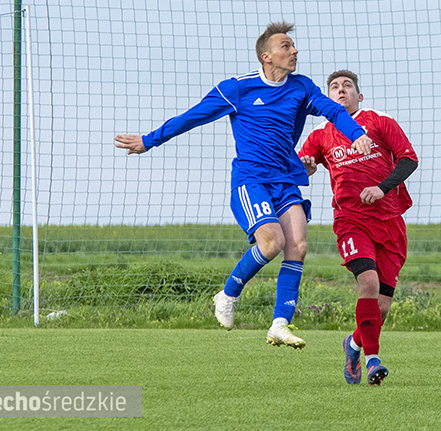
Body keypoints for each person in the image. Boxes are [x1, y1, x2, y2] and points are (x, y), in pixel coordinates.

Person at [114, 23, 372, 349]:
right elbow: (192, 117)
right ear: (267, 56)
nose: (294, 51)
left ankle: (280, 323)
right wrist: (148, 141)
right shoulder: (237, 89)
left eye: (294, 46)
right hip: (251, 181)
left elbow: (333, 110)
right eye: (286, 46)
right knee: (272, 242)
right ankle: (228, 294)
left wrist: (356, 133)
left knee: (298, 246)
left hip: (286, 179)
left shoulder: (302, 87)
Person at [298, 70, 418, 385]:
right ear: (327, 98)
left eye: (347, 86)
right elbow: (300, 170)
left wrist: (381, 187)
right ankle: (372, 361)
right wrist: (306, 169)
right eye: (334, 88)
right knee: (368, 283)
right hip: (350, 221)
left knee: (382, 307)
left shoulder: (380, 123)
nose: (341, 91)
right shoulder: (321, 135)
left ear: (359, 96)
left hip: (390, 222)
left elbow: (409, 160)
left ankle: (352, 343)